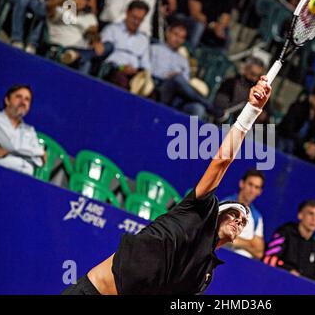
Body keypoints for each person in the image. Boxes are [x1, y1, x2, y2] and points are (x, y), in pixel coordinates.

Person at [61, 76, 273, 295]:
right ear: (216, 213)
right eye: (234, 214)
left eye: (243, 222)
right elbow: (221, 161)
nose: (239, 220)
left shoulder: (203, 276)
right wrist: (252, 111)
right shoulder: (195, 212)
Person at [150, 21, 222, 118]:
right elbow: (147, 71)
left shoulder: (183, 59)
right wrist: (167, 75)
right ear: (168, 33)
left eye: (182, 37)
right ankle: (210, 106)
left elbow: (186, 83)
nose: (178, 39)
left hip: (179, 95)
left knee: (197, 109)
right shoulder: (154, 49)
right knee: (177, 78)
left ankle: (203, 107)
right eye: (176, 34)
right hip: (161, 87)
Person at [262, 200, 315, 283]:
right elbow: (268, 259)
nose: (314, 219)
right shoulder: (285, 233)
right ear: (300, 215)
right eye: (310, 214)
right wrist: (289, 271)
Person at [47, 0, 112, 74]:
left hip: (82, 49)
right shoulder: (60, 11)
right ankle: (79, 55)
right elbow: (47, 7)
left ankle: (78, 55)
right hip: (62, 49)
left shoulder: (90, 17)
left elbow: (92, 34)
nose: (81, 1)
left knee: (109, 45)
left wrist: (95, 40)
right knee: (86, 63)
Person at [100, 0, 151, 90]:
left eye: (140, 19)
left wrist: (139, 73)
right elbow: (103, 55)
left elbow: (145, 65)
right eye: (134, 17)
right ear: (127, 13)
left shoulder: (144, 39)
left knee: (150, 91)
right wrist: (122, 67)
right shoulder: (112, 29)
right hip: (114, 69)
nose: (136, 22)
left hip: (135, 75)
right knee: (121, 80)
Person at [277, 84, 315, 165]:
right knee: (287, 144)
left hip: (303, 148)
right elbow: (287, 130)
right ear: (312, 98)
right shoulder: (297, 107)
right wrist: (305, 145)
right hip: (285, 139)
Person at [0, 85, 45, 176]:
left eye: (27, 99)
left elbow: (39, 161)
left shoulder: (30, 131)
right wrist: (34, 152)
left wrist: (9, 149)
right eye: (18, 97)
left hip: (24, 180)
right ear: (7, 100)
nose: (23, 102)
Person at [222, 169, 266, 259]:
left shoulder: (257, 217)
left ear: (259, 192)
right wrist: (250, 244)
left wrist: (237, 242)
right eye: (250, 184)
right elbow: (219, 236)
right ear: (242, 184)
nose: (252, 190)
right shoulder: (225, 205)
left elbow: (259, 252)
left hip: (244, 266)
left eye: (257, 187)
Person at [213, 56, 267, 124]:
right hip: (227, 122)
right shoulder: (231, 83)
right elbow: (219, 103)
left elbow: (265, 114)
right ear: (246, 69)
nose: (255, 79)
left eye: (258, 76)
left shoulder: (260, 89)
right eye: (253, 74)